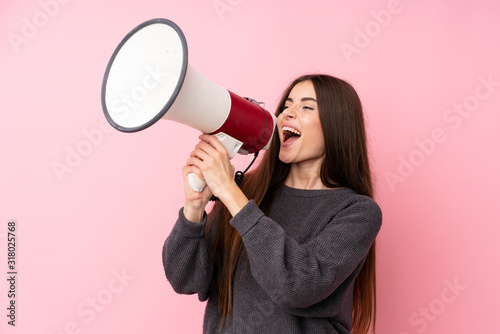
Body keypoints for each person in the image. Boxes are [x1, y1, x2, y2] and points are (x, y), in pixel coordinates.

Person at [162, 74, 382, 334]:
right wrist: (194, 208)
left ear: (337, 125)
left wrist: (230, 192)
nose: (288, 113)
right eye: (287, 105)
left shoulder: (357, 211)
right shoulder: (247, 192)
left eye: (306, 106)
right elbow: (186, 280)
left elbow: (297, 286)